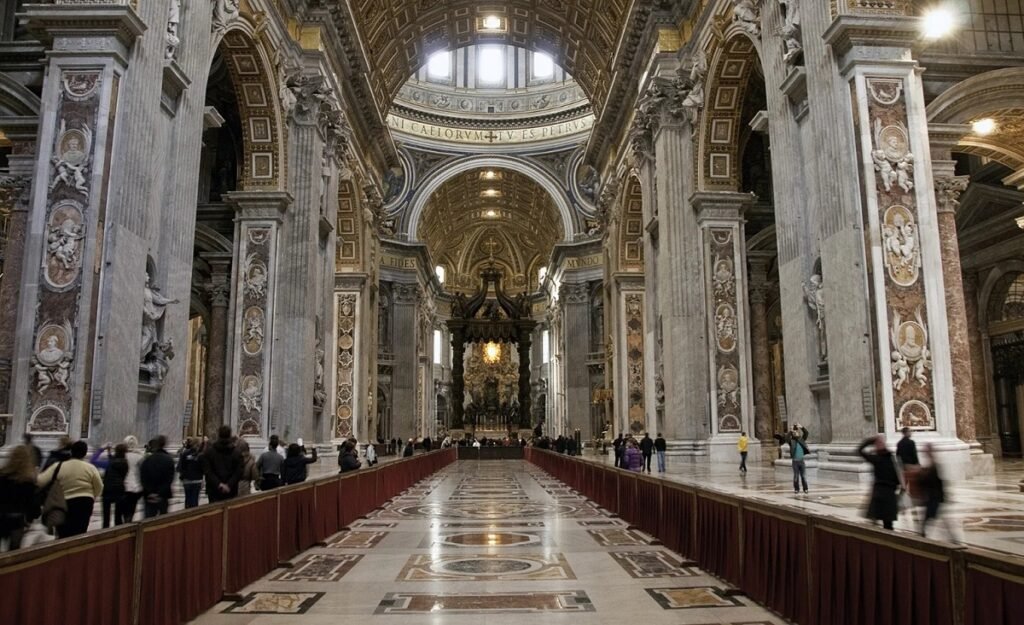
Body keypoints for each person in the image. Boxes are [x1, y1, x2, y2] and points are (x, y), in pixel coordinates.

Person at [36, 440, 102, 539]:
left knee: (64, 534)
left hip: (64, 503)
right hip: (85, 502)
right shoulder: (90, 468)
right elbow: (99, 487)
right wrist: (92, 496)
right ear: (84, 453)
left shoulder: (59, 466)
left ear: (71, 452)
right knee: (80, 532)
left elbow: (40, 481)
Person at [917, 443, 959, 542]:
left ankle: (923, 535)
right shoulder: (930, 466)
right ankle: (951, 537)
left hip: (934, 496)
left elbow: (938, 482)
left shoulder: (934, 466)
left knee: (932, 518)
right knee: (934, 518)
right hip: (932, 497)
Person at [858, 435, 901, 531]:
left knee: (888, 523)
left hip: (890, 492)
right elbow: (860, 451)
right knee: (876, 520)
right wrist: (870, 440)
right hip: (879, 492)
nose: (880, 444)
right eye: (878, 443)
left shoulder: (891, 457)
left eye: (881, 442)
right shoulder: (875, 458)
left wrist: (897, 486)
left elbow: (896, 473)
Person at [0, 446, 38, 550]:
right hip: (18, 519)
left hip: (1, 515)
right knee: (14, 551)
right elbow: (32, 503)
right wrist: (31, 518)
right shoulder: (28, 481)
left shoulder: (2, 475)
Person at [201, 425, 243, 502]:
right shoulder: (237, 453)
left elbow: (208, 472)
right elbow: (239, 472)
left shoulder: (209, 452)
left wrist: (219, 484)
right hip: (231, 490)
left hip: (214, 489)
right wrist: (228, 485)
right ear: (230, 435)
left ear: (218, 434)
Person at [139, 435, 175, 518]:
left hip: (149, 496)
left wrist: (151, 492)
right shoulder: (169, 459)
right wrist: (159, 493)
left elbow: (143, 477)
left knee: (148, 521)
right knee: (162, 521)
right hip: (163, 495)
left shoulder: (147, 459)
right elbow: (169, 479)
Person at [99, 444, 128, 527]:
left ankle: (105, 531)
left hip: (108, 489)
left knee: (106, 517)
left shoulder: (110, 462)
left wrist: (106, 450)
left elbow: (111, 461)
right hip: (119, 489)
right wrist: (109, 453)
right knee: (118, 517)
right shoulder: (125, 463)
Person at [775, 425, 809, 494]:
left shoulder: (802, 440)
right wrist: (790, 431)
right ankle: (796, 489)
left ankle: (805, 488)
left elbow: (806, 433)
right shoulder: (791, 441)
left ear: (798, 433)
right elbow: (787, 438)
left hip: (801, 461)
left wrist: (801, 427)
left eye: (796, 432)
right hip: (795, 462)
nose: (795, 433)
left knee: (803, 476)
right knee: (796, 476)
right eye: (794, 432)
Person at [120, 435, 145, 522]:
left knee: (124, 509)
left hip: (124, 485)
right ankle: (128, 520)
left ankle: (126, 521)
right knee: (131, 508)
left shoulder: (122, 456)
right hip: (135, 486)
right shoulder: (140, 457)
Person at [177, 438, 204, 508]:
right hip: (197, 480)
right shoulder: (200, 455)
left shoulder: (185, 453)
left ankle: (186, 513)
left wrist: (182, 476)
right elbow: (203, 468)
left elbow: (181, 466)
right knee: (194, 500)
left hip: (187, 480)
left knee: (188, 499)